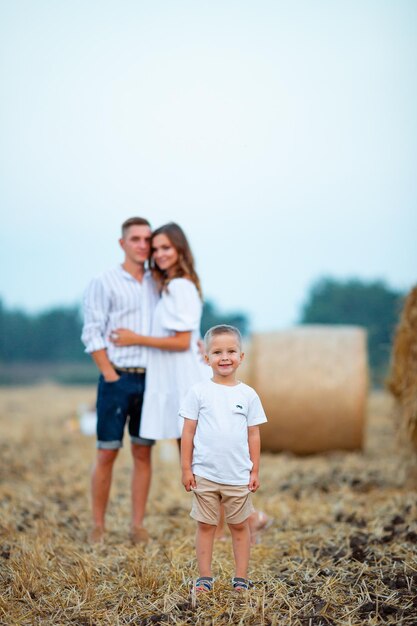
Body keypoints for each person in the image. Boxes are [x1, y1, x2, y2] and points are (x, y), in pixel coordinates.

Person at [81, 217, 159, 545]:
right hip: (117, 377)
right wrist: (110, 375)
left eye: (147, 240)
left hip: (153, 379)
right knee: (107, 453)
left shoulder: (159, 282)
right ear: (122, 243)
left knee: (143, 454)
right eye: (136, 239)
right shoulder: (104, 282)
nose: (142, 244)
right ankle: (98, 526)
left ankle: (136, 526)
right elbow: (92, 332)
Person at [180, 324, 268, 593]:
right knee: (206, 526)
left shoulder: (248, 395)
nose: (225, 357)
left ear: (242, 356)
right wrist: (186, 468)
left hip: (238, 475)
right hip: (205, 474)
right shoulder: (198, 392)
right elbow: (188, 432)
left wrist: (254, 471)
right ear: (207, 358)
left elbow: (254, 435)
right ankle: (204, 578)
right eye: (217, 352)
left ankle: (240, 578)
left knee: (239, 527)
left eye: (231, 351)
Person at [109, 222, 208, 441]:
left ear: (180, 249)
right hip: (176, 375)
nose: (159, 254)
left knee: (192, 451)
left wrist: (135, 339)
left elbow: (182, 342)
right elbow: (190, 333)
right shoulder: (170, 284)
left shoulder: (179, 286)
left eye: (166, 248)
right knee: (187, 450)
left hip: (185, 376)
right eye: (155, 249)